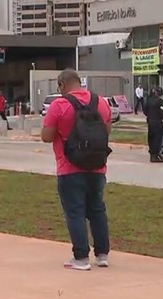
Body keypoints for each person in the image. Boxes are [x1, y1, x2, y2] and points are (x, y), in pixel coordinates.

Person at [41, 69, 112, 271]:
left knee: (75, 212)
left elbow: (46, 136)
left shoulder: (59, 105)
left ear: (62, 85)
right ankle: (102, 254)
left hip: (69, 167)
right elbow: (107, 131)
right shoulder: (101, 102)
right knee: (97, 209)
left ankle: (81, 257)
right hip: (98, 167)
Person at [145, 87, 163, 163]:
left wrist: (149, 116)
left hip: (150, 122)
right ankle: (155, 155)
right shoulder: (159, 102)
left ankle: (152, 155)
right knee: (157, 139)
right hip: (157, 122)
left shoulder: (149, 100)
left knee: (151, 138)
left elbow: (145, 110)